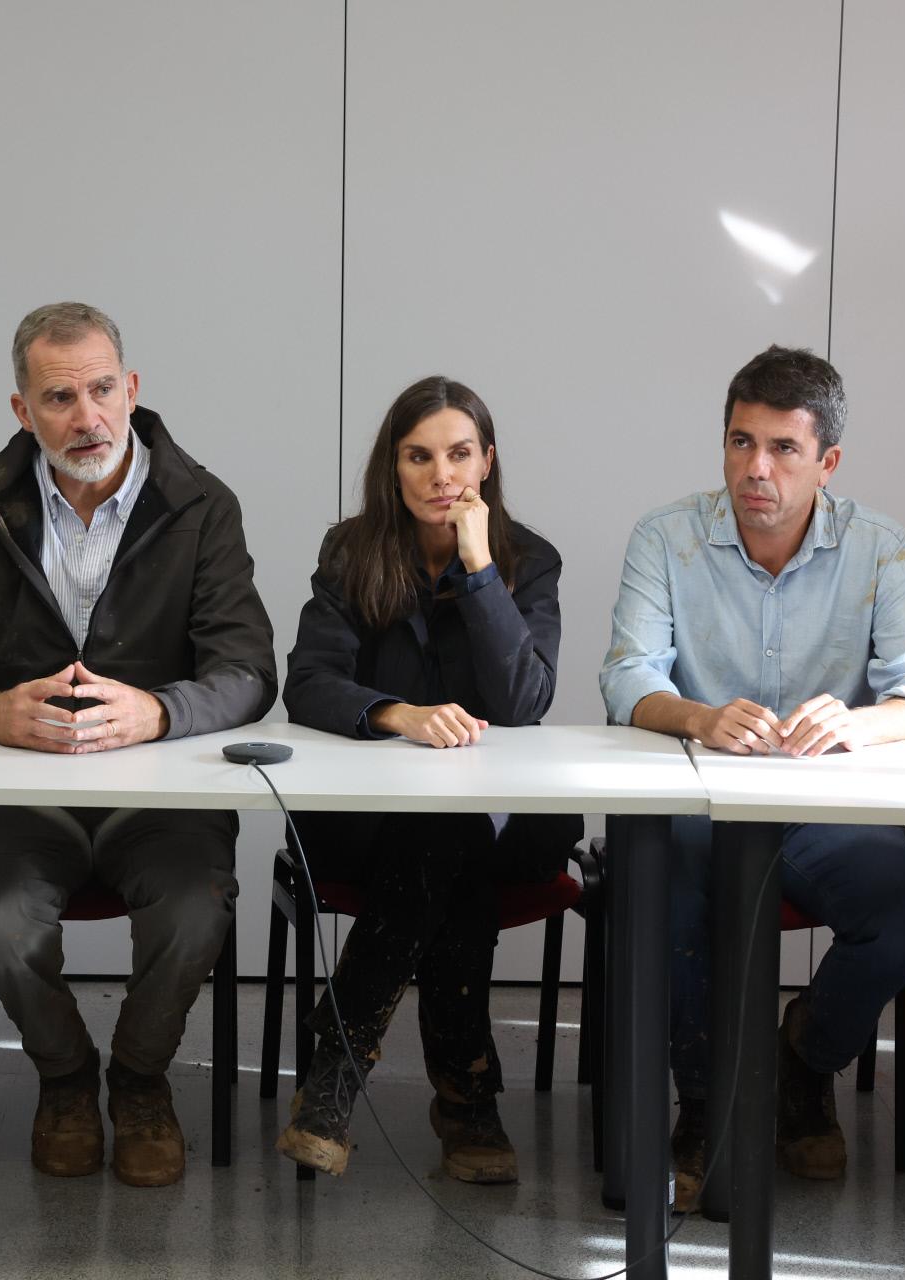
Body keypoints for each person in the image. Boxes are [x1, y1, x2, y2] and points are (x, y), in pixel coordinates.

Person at [0, 301, 275, 1187]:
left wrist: (159, 713)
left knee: (196, 910)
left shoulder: (202, 503)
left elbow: (250, 668)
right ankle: (65, 1076)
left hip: (164, 799)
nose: (87, 416)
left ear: (131, 389)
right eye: (60, 398)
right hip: (25, 796)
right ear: (22, 409)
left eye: (102, 390)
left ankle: (138, 1079)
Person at [599, 344, 905, 1210]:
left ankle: (802, 1061)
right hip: (697, 795)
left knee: (900, 920)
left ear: (827, 463)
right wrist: (697, 716)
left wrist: (860, 722)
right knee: (675, 896)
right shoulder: (666, 536)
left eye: (783, 449)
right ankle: (704, 1105)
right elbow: (626, 676)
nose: (755, 469)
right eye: (741, 442)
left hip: (821, 800)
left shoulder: (879, 548)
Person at [275, 376, 581, 1183]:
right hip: (370, 821)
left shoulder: (529, 561)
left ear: (487, 462)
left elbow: (523, 702)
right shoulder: (352, 553)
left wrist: (479, 569)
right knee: (445, 847)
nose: (441, 475)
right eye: (419, 457)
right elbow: (307, 682)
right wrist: (397, 714)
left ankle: (335, 1068)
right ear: (394, 466)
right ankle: (466, 1096)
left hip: (508, 821)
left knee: (451, 837)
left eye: (458, 454)